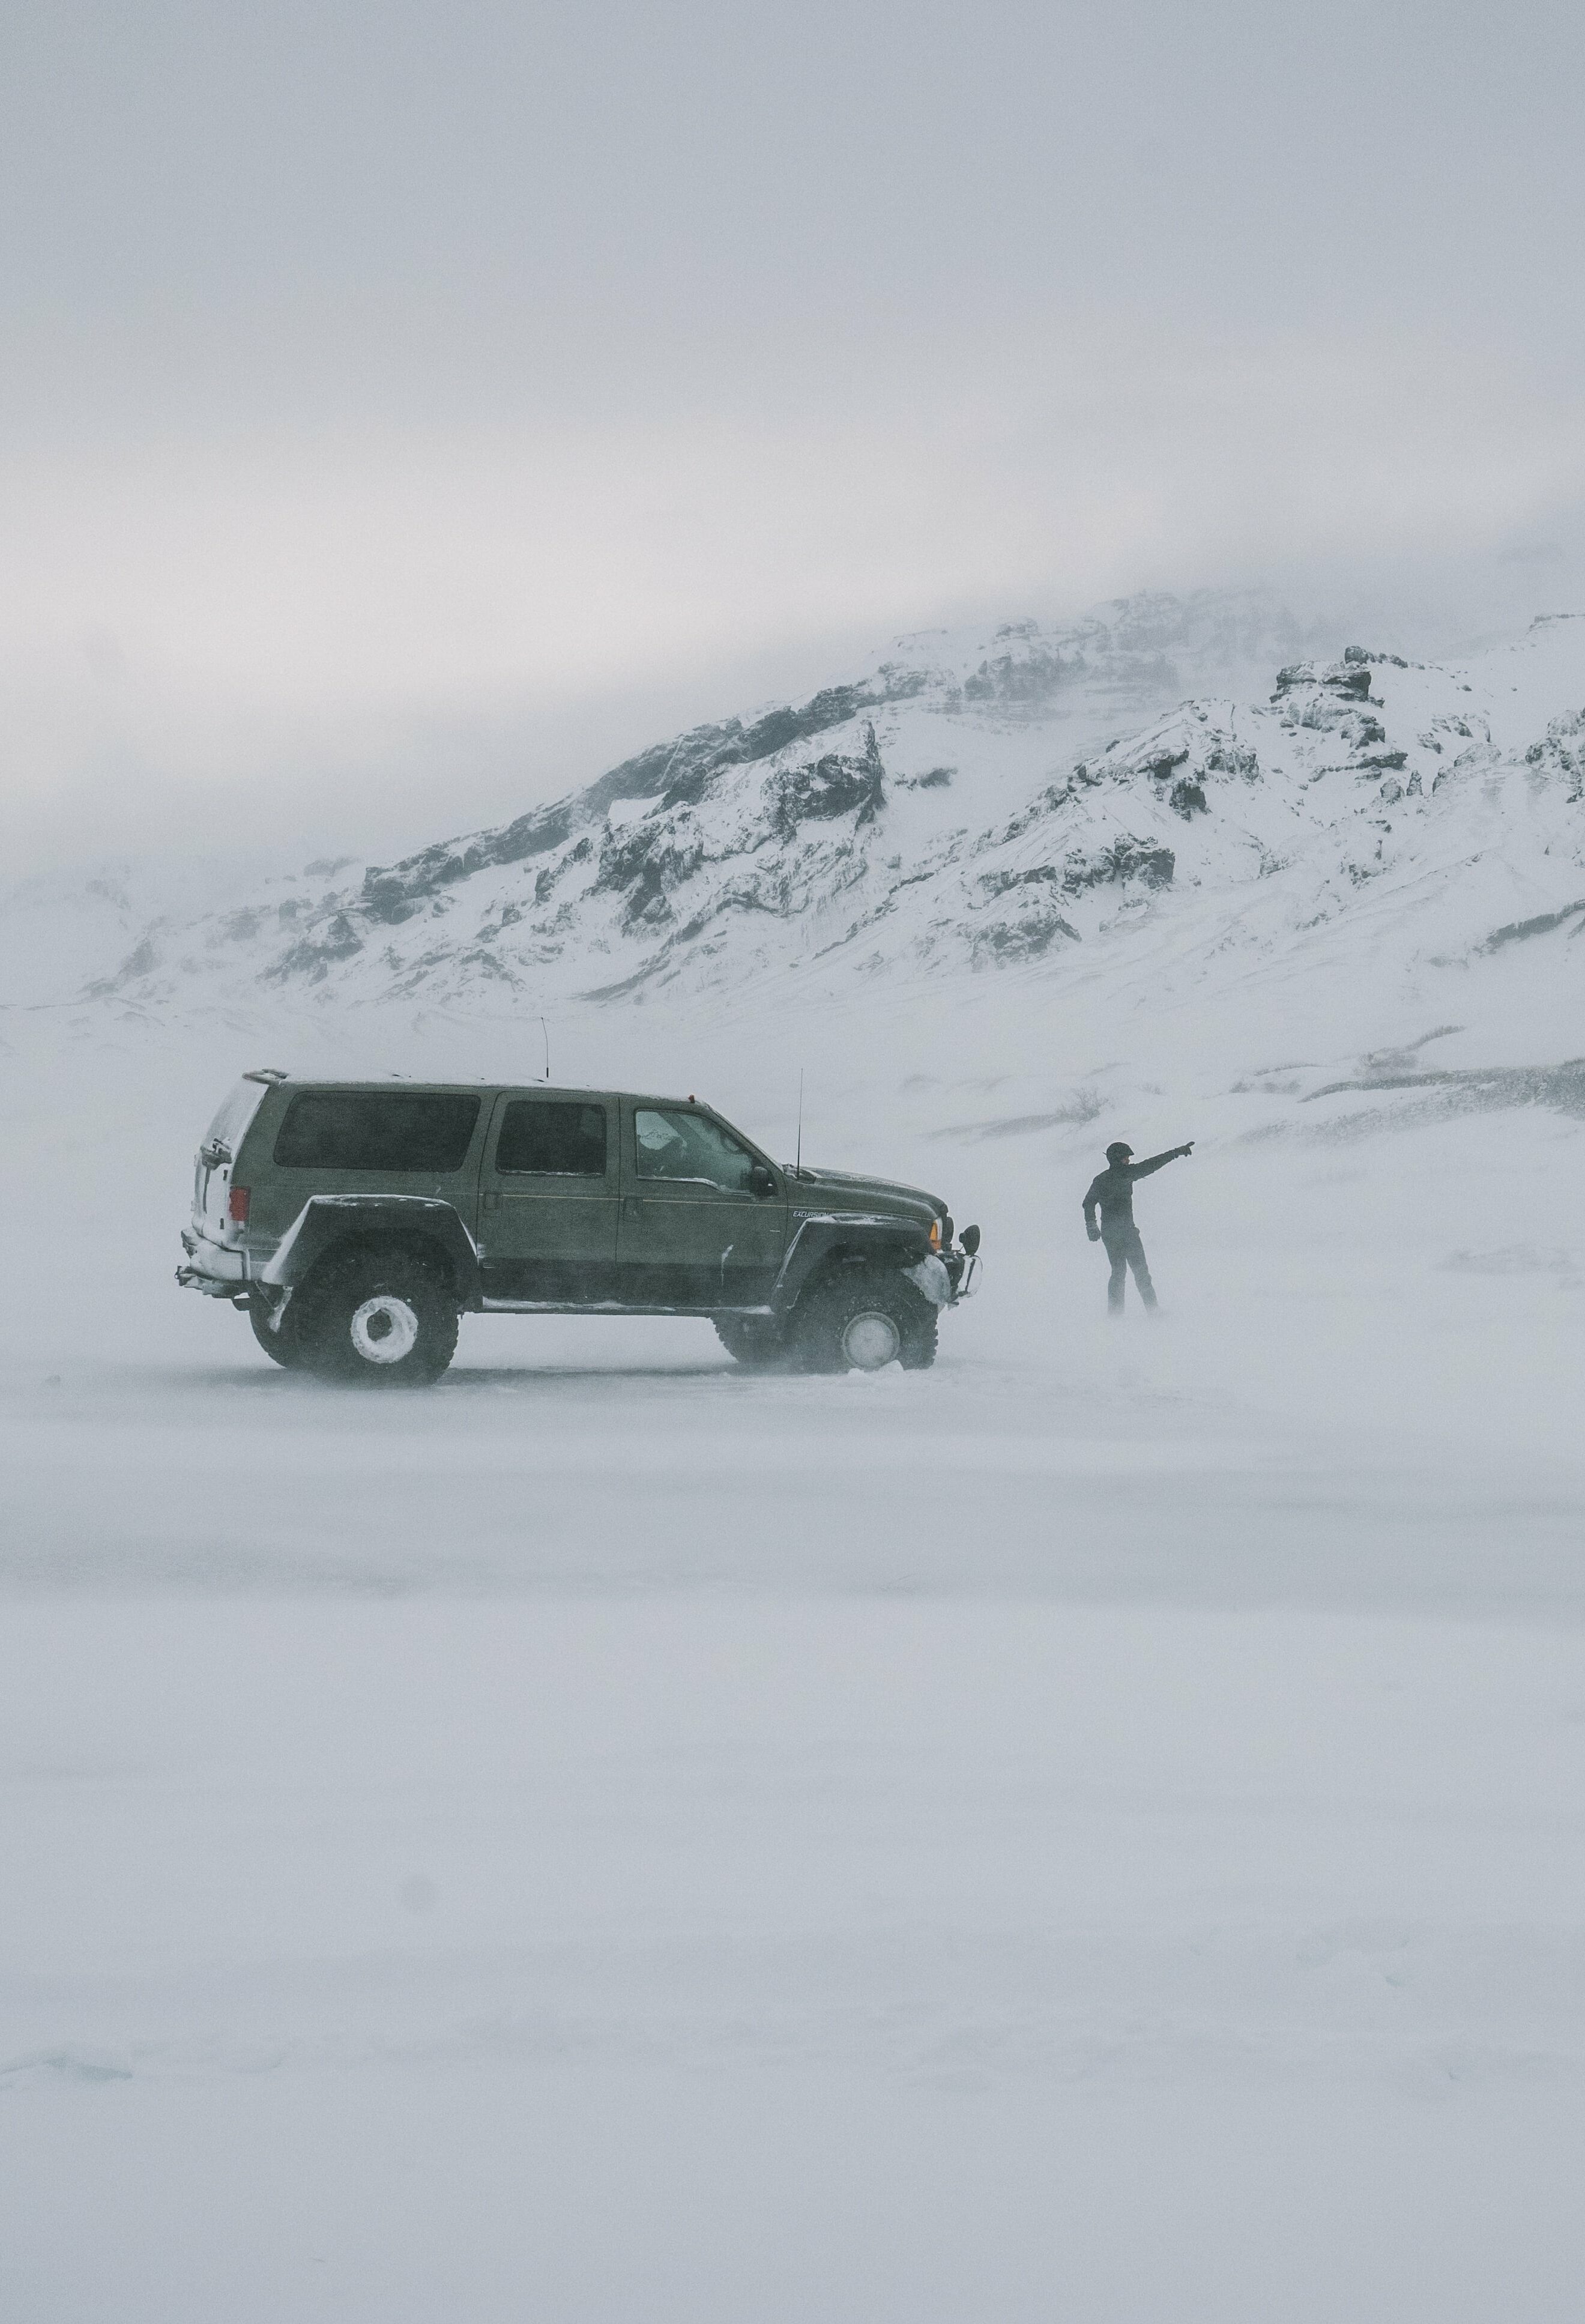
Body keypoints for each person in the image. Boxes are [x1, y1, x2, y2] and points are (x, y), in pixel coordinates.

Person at [1082, 1139, 1193, 1316]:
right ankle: (1153, 1311)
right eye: (1126, 1158)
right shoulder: (1128, 1174)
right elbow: (1152, 1165)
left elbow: (1088, 1204)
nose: (1128, 1161)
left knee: (1118, 1273)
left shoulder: (1101, 1179)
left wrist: (1092, 1225)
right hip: (1126, 1232)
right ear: (1117, 1159)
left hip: (1110, 1233)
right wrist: (1176, 1152)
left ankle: (1115, 1314)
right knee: (1140, 1271)